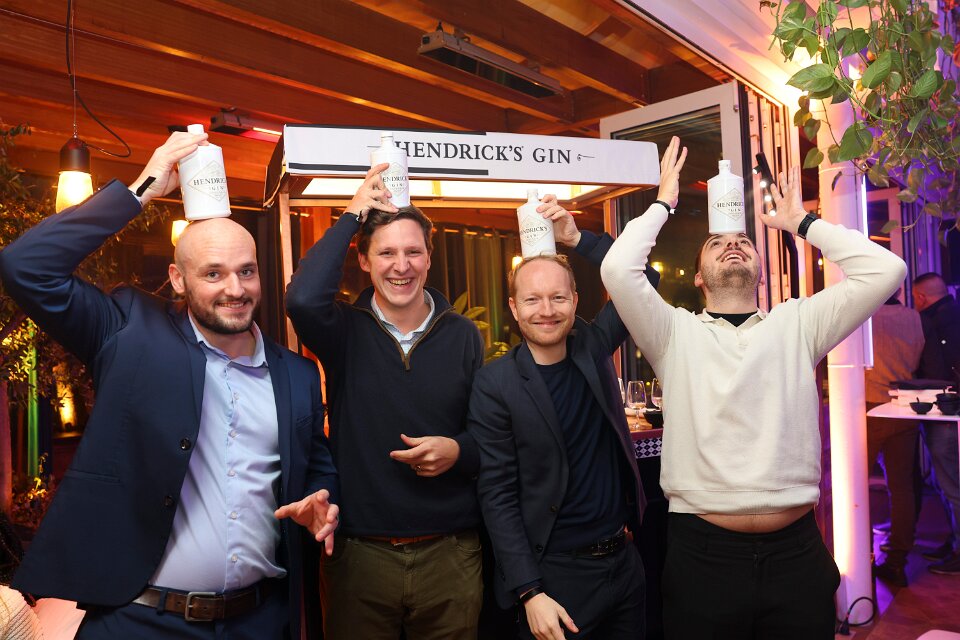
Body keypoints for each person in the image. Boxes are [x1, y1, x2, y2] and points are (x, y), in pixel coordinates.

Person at [0, 132, 339, 640]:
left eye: (247, 271)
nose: (235, 289)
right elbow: (25, 267)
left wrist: (323, 497)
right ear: (178, 279)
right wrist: (141, 190)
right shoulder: (128, 330)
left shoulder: (296, 373)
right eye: (213, 274)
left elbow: (315, 464)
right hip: (140, 620)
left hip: (259, 620)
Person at [601, 137, 906, 639]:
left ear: (760, 272)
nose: (733, 244)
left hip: (797, 554)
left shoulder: (799, 324)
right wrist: (663, 204)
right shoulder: (673, 333)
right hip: (703, 558)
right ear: (699, 278)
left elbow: (886, 269)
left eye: (743, 240)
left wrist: (801, 222)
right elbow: (617, 269)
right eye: (716, 243)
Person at [285, 165, 485, 639]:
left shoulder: (463, 335)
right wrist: (353, 214)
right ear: (363, 260)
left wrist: (458, 450)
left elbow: (490, 435)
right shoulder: (342, 330)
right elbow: (302, 299)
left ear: (429, 258)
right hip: (360, 554)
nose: (402, 265)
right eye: (386, 253)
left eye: (413, 251)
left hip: (451, 554)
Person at [467, 194, 659, 640]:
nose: (547, 310)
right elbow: (497, 495)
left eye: (558, 297)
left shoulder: (593, 345)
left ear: (575, 300)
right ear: (514, 307)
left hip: (624, 564)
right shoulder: (495, 383)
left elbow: (642, 277)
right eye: (532, 299)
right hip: (555, 577)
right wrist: (529, 591)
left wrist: (577, 239)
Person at [865, 291, 925, 587]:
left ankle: (862, 557)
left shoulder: (864, 316)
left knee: (854, 486)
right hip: (903, 407)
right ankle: (897, 560)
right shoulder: (913, 316)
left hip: (867, 407)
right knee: (901, 488)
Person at [913, 272, 960, 575]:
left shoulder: (930, 322)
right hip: (953, 411)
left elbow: (936, 370)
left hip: (945, 411)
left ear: (920, 297)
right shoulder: (954, 312)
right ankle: (954, 542)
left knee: (951, 483)